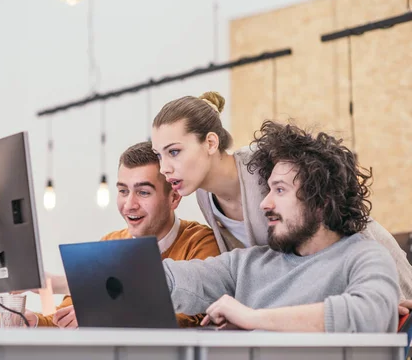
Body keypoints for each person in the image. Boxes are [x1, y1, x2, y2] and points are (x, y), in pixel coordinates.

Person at [151, 91, 412, 308]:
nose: (164, 168)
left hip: (368, 277)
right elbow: (242, 269)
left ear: (210, 143)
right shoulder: (203, 195)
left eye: (174, 152)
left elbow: (338, 217)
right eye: (159, 155)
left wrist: (388, 293)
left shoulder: (266, 167)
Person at [27, 141, 220, 328]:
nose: (129, 205)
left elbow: (194, 316)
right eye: (123, 191)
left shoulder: (201, 243)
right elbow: (67, 314)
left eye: (143, 192)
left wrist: (106, 315)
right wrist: (31, 321)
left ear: (174, 198)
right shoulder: (110, 244)